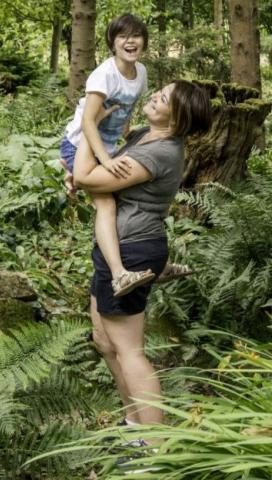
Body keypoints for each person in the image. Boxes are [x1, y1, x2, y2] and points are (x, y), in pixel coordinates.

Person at [73, 80, 212, 429]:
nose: (154, 96)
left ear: (177, 119)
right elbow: (94, 175)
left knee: (129, 349)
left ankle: (154, 449)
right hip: (114, 247)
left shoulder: (160, 152)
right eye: (159, 90)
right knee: (105, 341)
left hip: (133, 248)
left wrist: (88, 124)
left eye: (163, 98)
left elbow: (86, 176)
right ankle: (133, 424)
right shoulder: (142, 137)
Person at [61, 13, 155, 298]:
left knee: (128, 195)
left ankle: (152, 265)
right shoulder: (104, 74)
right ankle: (118, 275)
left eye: (136, 35)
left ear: (144, 42)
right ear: (112, 43)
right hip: (80, 144)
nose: (130, 41)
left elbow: (127, 111)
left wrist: (124, 142)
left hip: (107, 147)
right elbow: (90, 122)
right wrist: (105, 160)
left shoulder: (141, 74)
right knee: (107, 206)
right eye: (123, 36)